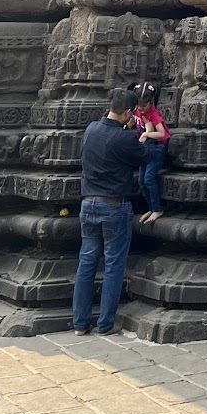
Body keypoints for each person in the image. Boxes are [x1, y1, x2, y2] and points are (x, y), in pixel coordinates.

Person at [71, 88, 147, 335]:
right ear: (128, 113)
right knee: (113, 264)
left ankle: (80, 324)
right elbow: (144, 156)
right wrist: (140, 132)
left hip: (88, 204)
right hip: (114, 206)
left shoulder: (91, 129)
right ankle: (105, 324)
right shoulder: (124, 138)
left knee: (87, 262)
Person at [131, 81, 170, 225]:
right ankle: (151, 207)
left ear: (151, 102)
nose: (141, 109)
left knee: (148, 179)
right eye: (138, 106)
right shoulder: (139, 111)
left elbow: (161, 134)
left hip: (158, 147)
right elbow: (142, 123)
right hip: (146, 148)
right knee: (141, 181)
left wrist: (147, 135)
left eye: (144, 106)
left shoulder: (154, 114)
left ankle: (157, 209)